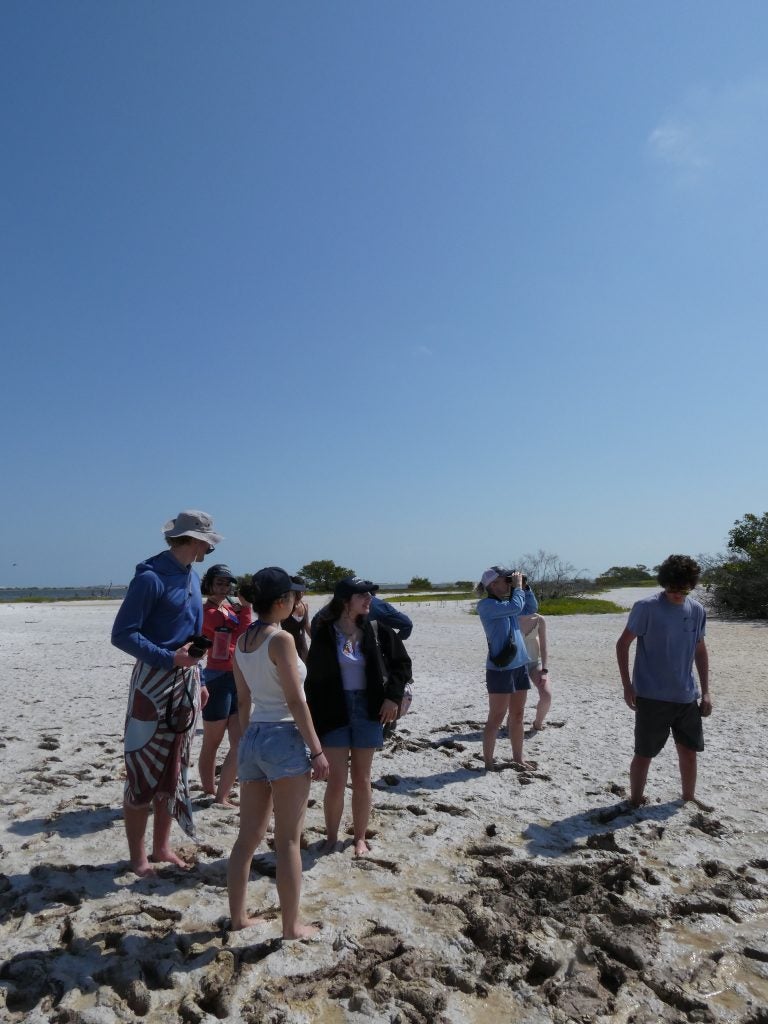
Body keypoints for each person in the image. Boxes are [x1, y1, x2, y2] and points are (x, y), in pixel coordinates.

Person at [111, 509, 222, 876]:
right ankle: (138, 858)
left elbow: (192, 640)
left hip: (185, 682)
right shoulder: (150, 578)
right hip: (152, 684)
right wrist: (168, 658)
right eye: (207, 540)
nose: (210, 547)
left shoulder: (191, 576)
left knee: (174, 771)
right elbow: (123, 634)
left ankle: (161, 848)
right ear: (193, 540)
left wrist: (200, 681)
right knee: (143, 769)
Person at [227, 567, 329, 939]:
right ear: (282, 601)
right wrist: (316, 749)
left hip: (252, 736)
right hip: (283, 736)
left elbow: (242, 699)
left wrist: (243, 741)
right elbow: (294, 698)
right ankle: (291, 926)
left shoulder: (242, 641)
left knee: (247, 838)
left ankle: (238, 918)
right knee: (288, 839)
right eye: (294, 597)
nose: (298, 602)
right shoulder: (281, 639)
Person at [305, 576, 412, 856]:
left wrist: (393, 697)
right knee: (337, 779)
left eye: (370, 595)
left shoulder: (377, 629)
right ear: (344, 600)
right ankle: (331, 837)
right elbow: (313, 680)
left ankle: (360, 838)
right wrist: (312, 722)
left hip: (369, 709)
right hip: (334, 710)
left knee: (362, 778)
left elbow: (402, 665)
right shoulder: (325, 631)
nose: (369, 600)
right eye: (362, 595)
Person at [616, 554, 712, 808]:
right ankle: (635, 800)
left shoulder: (697, 610)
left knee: (689, 753)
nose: (677, 594)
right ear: (664, 583)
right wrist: (628, 685)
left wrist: (706, 692)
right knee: (644, 754)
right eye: (672, 588)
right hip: (651, 697)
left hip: (686, 697)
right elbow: (623, 644)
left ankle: (688, 798)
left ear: (691, 585)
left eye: (683, 589)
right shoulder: (646, 607)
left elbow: (700, 651)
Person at [198, 564, 252, 806]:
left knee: (239, 741)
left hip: (235, 677)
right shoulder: (206, 612)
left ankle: (222, 793)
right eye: (218, 583)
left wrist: (244, 608)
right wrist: (245, 609)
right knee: (212, 741)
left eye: (227, 584)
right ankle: (209, 790)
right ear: (209, 584)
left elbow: (243, 634)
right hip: (217, 678)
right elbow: (239, 633)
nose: (223, 588)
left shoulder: (230, 608)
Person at [476, 566, 539, 769]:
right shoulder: (486, 605)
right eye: (506, 580)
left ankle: (518, 757)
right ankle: (488, 761)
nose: (509, 583)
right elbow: (516, 608)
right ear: (493, 584)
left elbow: (531, 608)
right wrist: (518, 588)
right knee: (496, 718)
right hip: (500, 669)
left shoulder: (508, 603)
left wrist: (525, 588)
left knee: (518, 715)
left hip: (519, 665)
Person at [519, 612, 551, 731]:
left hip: (534, 663)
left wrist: (544, 670)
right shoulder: (510, 616)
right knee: (519, 699)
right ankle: (511, 721)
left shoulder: (539, 619)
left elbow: (544, 647)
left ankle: (538, 723)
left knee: (546, 695)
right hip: (515, 665)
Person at [280, 576, 311, 662]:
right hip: (288, 648)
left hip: (303, 647)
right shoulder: (284, 607)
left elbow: (307, 625)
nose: (301, 594)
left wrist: (316, 640)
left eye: (302, 591)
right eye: (298, 591)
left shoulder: (305, 605)